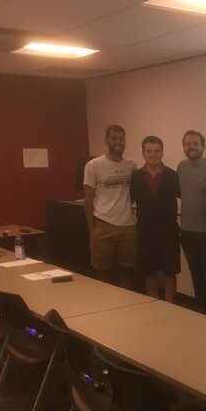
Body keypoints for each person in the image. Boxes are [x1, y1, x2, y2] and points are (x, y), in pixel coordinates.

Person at [83, 124, 137, 289]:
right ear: (106, 140)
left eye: (121, 139)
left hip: (127, 227)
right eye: (114, 138)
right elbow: (88, 198)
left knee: (127, 272)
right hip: (103, 226)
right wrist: (92, 230)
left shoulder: (131, 165)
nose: (118, 142)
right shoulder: (93, 165)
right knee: (103, 273)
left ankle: (126, 306)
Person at [129, 135, 180, 302]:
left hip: (168, 231)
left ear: (162, 152)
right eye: (149, 151)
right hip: (145, 231)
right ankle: (153, 305)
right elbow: (129, 200)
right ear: (143, 153)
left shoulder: (173, 175)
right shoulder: (135, 176)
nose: (153, 154)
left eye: (157, 151)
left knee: (169, 271)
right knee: (148, 271)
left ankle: (170, 306)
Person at [177, 130, 206, 313]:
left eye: (195, 143)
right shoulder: (181, 167)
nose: (191, 147)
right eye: (188, 144)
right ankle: (202, 307)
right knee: (196, 272)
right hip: (186, 231)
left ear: (203, 146)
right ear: (184, 147)